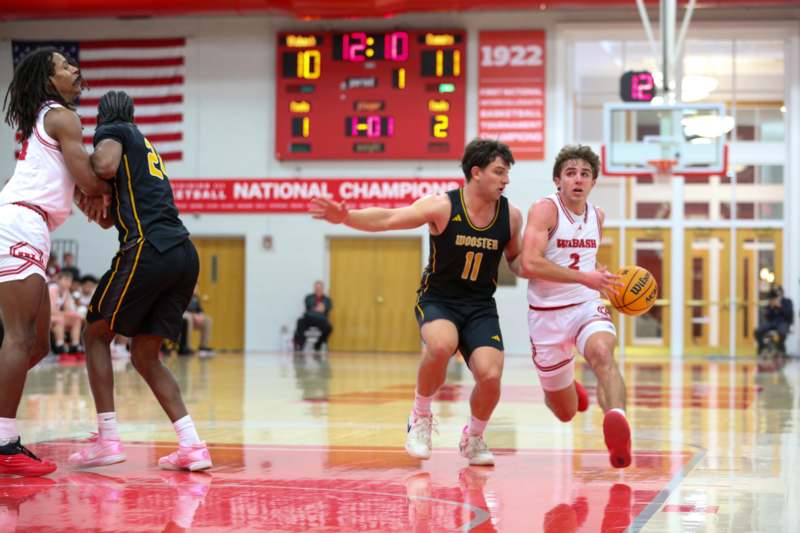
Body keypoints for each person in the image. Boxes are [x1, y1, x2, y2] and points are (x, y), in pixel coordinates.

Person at [311, 138, 523, 465]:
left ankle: (474, 437)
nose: (505, 180)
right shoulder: (442, 206)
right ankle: (420, 416)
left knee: (491, 377)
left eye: (507, 173)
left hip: (481, 305)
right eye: (499, 172)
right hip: (439, 299)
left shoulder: (511, 217)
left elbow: (519, 261)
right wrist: (346, 217)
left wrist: (559, 270)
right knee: (441, 346)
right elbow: (388, 219)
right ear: (476, 173)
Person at [68, 90, 212, 471]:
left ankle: (108, 439)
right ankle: (193, 445)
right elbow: (109, 217)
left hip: (150, 248)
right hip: (183, 253)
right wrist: (95, 204)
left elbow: (103, 164)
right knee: (146, 355)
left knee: (95, 333)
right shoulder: (144, 147)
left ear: (104, 117)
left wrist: (79, 166)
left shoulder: (114, 132)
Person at [0, 47, 110, 476]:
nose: (75, 68)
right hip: (21, 222)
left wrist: (91, 199)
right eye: (65, 66)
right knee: (18, 337)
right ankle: (5, 443)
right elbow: (87, 177)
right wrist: (119, 165)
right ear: (49, 81)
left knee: (38, 344)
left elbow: (76, 185)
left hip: (32, 224)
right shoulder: (63, 116)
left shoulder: (48, 120)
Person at [520, 144, 631, 468]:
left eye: (585, 174)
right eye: (570, 173)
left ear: (593, 182)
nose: (578, 179)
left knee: (602, 354)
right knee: (565, 411)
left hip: (585, 306)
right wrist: (585, 277)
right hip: (546, 315)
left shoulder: (598, 215)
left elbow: (586, 261)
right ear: (558, 180)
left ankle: (617, 421)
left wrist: (600, 276)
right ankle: (569, 387)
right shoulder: (545, 210)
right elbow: (529, 263)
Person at [48, 270, 83, 354]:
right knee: (60, 320)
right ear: (58, 280)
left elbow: (68, 309)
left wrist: (73, 314)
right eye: (65, 280)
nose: (68, 283)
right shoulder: (51, 290)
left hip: (58, 315)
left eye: (69, 281)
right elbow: (51, 310)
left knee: (76, 320)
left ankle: (75, 345)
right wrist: (67, 314)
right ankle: (59, 345)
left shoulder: (66, 292)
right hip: (46, 316)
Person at [292, 280, 333, 352]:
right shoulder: (308, 297)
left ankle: (318, 345)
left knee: (329, 327)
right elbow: (310, 306)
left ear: (323, 289)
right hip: (309, 319)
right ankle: (300, 345)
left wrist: (318, 308)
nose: (318, 290)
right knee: (300, 321)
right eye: (316, 288)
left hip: (321, 320)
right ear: (314, 288)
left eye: (320, 289)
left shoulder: (327, 300)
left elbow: (327, 308)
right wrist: (319, 308)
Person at [755, 285, 793, 354]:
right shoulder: (771, 302)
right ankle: (762, 346)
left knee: (782, 332)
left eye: (778, 292)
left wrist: (780, 306)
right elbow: (767, 316)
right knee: (758, 331)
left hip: (783, 322)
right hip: (772, 323)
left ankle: (780, 347)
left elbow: (788, 314)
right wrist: (771, 307)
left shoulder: (787, 301)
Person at [180, 284, 213, 357]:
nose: (196, 289)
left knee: (208, 319)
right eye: (194, 287)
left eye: (197, 287)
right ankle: (186, 346)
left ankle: (203, 347)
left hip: (194, 319)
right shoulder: (183, 295)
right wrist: (193, 315)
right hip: (184, 317)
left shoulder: (196, 298)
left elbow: (200, 310)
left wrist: (201, 315)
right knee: (188, 318)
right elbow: (181, 309)